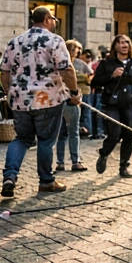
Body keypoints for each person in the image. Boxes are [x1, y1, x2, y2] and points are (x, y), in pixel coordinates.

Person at [0, 7, 78, 197]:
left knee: (22, 139)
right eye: (54, 19)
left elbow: (4, 72)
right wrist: (74, 91)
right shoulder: (54, 40)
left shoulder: (15, 41)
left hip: (20, 100)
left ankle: (10, 176)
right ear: (46, 19)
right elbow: (66, 70)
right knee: (45, 140)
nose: (55, 23)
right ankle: (46, 181)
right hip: (48, 99)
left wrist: (9, 92)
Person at [93, 35, 132, 178]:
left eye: (126, 42)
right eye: (120, 42)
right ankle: (104, 153)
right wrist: (111, 76)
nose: (123, 44)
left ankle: (124, 166)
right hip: (112, 103)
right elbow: (94, 82)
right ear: (115, 46)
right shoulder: (107, 63)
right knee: (114, 133)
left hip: (131, 103)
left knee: (129, 135)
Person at [54, 39, 86, 173]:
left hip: (57, 100)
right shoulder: (68, 65)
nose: (78, 52)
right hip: (69, 100)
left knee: (60, 134)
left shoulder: (56, 62)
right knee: (73, 132)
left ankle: (60, 162)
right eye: (77, 49)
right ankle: (75, 161)